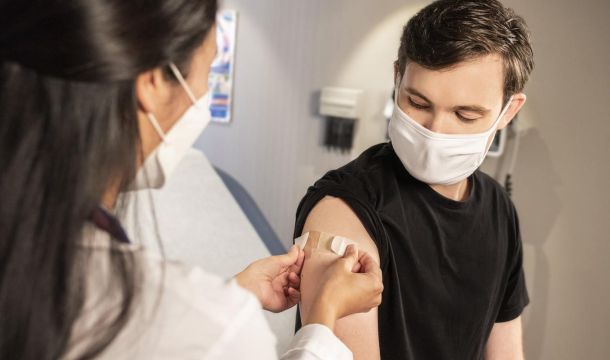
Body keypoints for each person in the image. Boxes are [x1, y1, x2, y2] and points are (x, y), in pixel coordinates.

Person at [0, 1, 383, 359]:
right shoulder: (213, 326)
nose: (204, 93)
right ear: (151, 82)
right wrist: (322, 320)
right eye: (212, 70)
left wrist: (235, 292)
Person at [294, 0, 534, 359]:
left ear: (508, 111)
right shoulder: (344, 209)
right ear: (397, 79)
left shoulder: (500, 210)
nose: (435, 131)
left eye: (465, 114)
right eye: (418, 103)